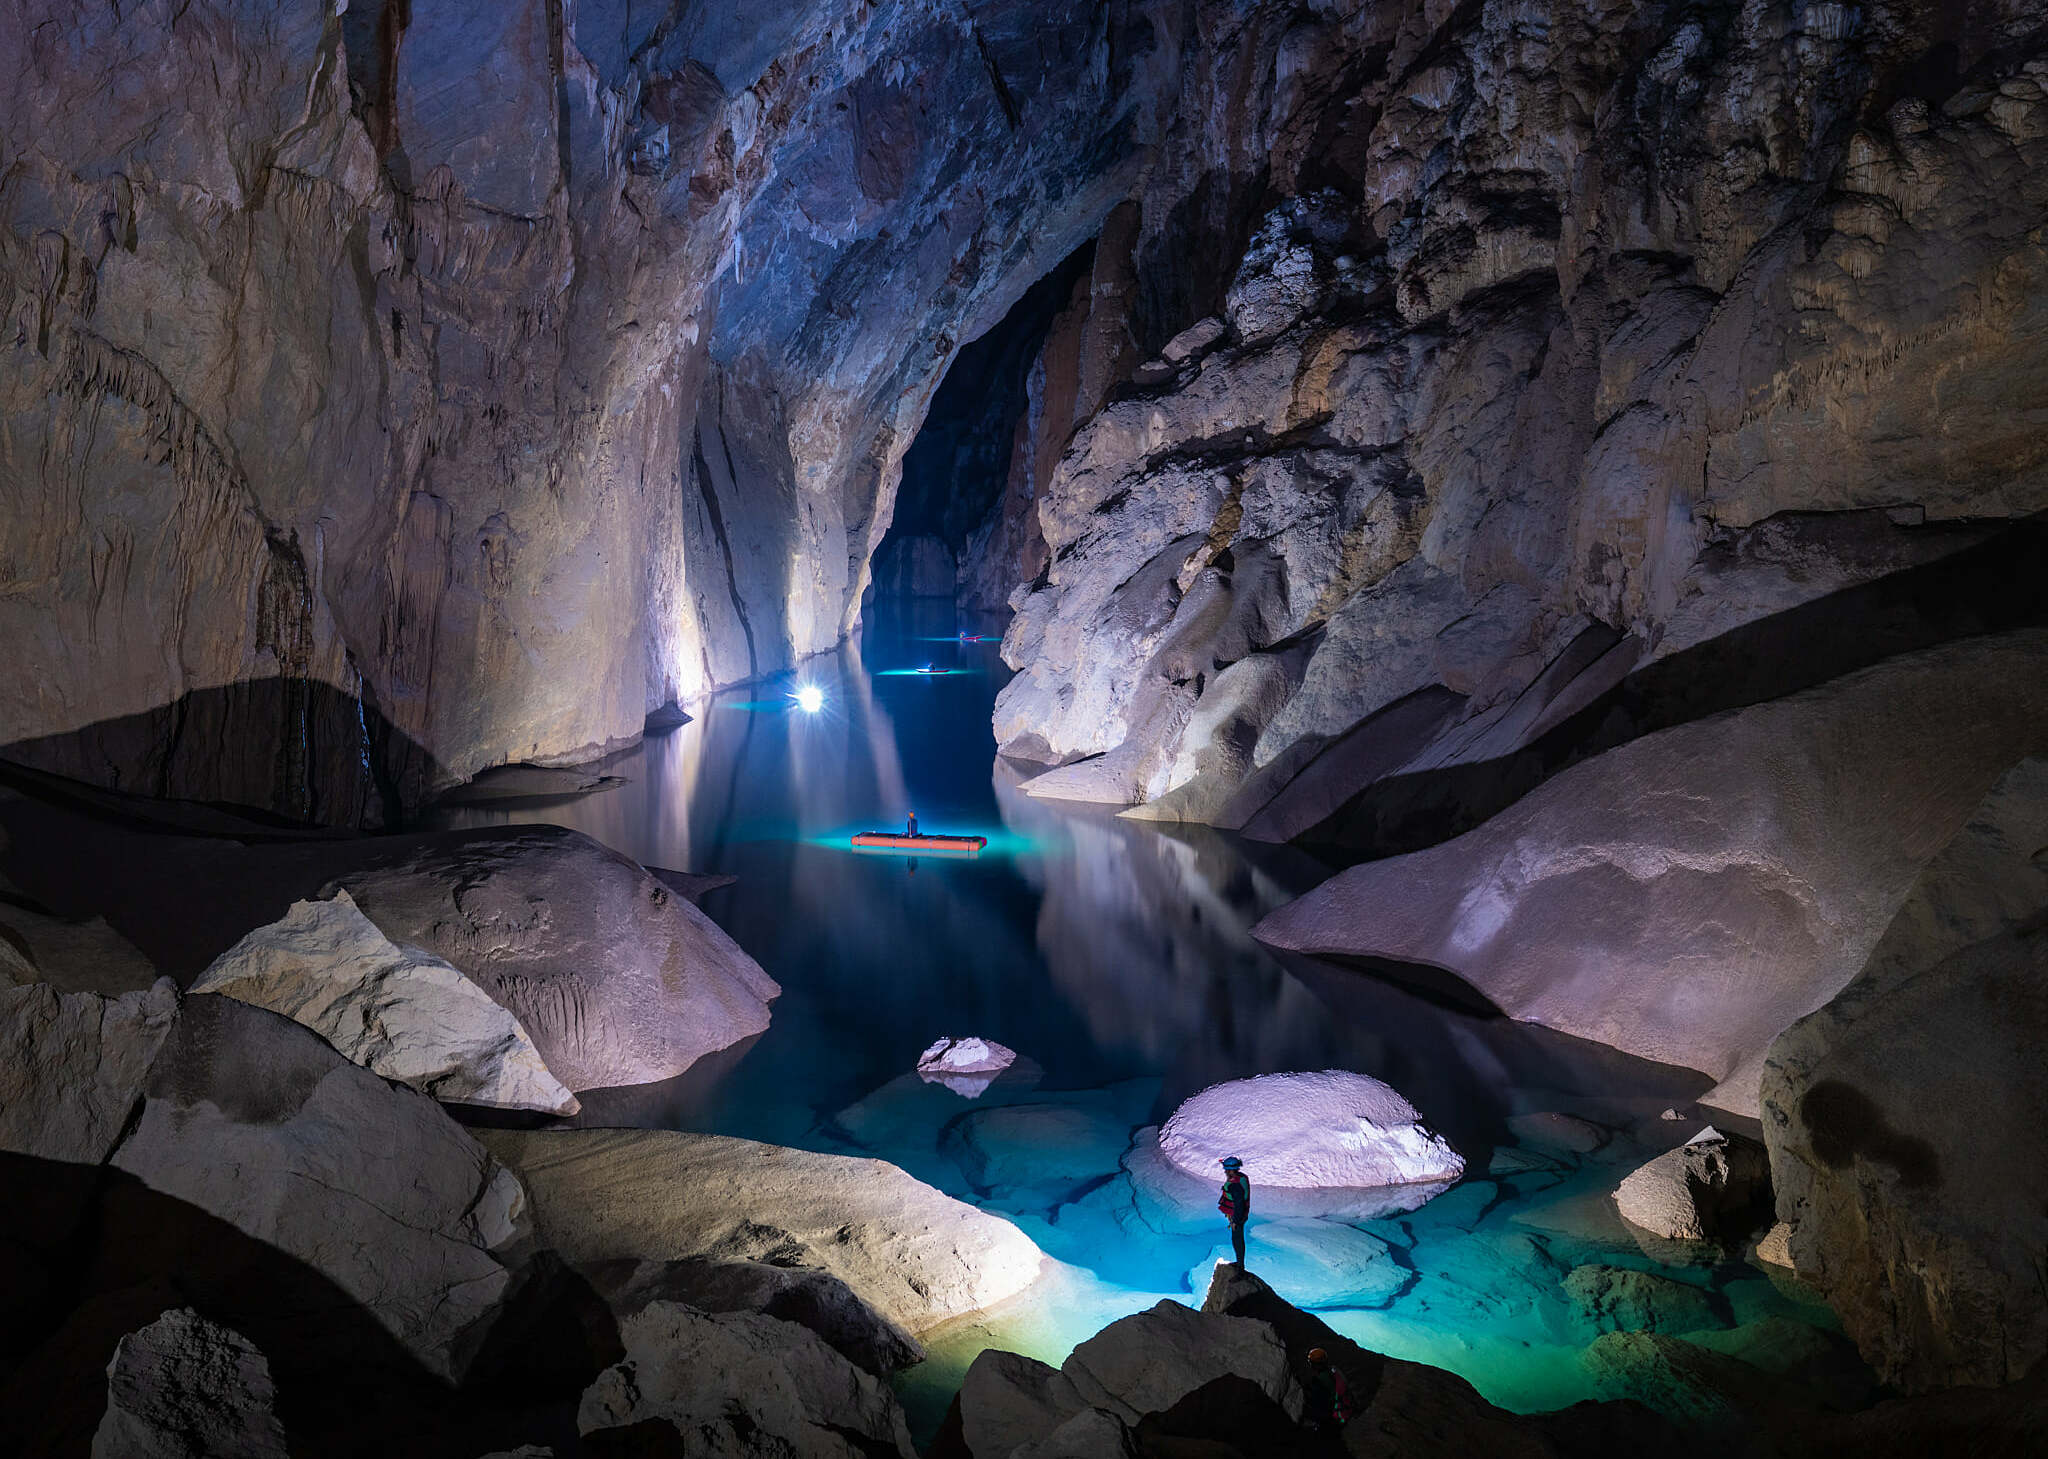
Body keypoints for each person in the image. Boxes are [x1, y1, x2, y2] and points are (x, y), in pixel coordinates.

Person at [1302, 1348, 1353, 1436]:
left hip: (1333, 1417)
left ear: (1314, 1364)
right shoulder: (1333, 1370)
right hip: (1344, 1408)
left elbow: (1320, 1402)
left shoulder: (1319, 1381)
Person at [1217, 1156, 1250, 1266]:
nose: (1225, 1171)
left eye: (1226, 1169)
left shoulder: (1235, 1186)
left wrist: (1235, 1221)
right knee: (1237, 1239)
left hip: (1238, 1217)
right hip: (1240, 1215)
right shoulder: (1240, 1177)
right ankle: (1239, 1264)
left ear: (1230, 1170)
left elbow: (1239, 1204)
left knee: (1237, 1240)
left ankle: (1240, 1268)